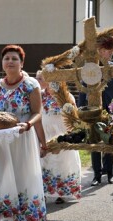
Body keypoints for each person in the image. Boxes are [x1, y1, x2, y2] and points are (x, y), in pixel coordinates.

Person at [0, 45, 48, 221]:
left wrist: (27, 125)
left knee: (20, 181)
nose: (10, 61)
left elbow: (38, 113)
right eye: (7, 58)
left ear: (22, 63)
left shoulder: (30, 84)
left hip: (22, 140)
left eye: (14, 59)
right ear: (2, 63)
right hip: (0, 143)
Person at [78, 36, 113, 185]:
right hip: (92, 112)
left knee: (109, 143)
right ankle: (96, 175)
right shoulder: (90, 68)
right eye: (105, 50)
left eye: (110, 51)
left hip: (110, 112)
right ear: (99, 51)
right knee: (94, 143)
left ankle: (109, 173)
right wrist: (81, 111)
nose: (108, 53)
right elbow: (83, 91)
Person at [36, 70, 82, 204]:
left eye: (40, 78)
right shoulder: (39, 96)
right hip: (45, 134)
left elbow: (74, 117)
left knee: (64, 163)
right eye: (38, 78)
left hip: (62, 135)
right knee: (44, 162)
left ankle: (63, 192)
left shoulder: (66, 96)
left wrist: (70, 136)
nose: (37, 81)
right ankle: (43, 192)